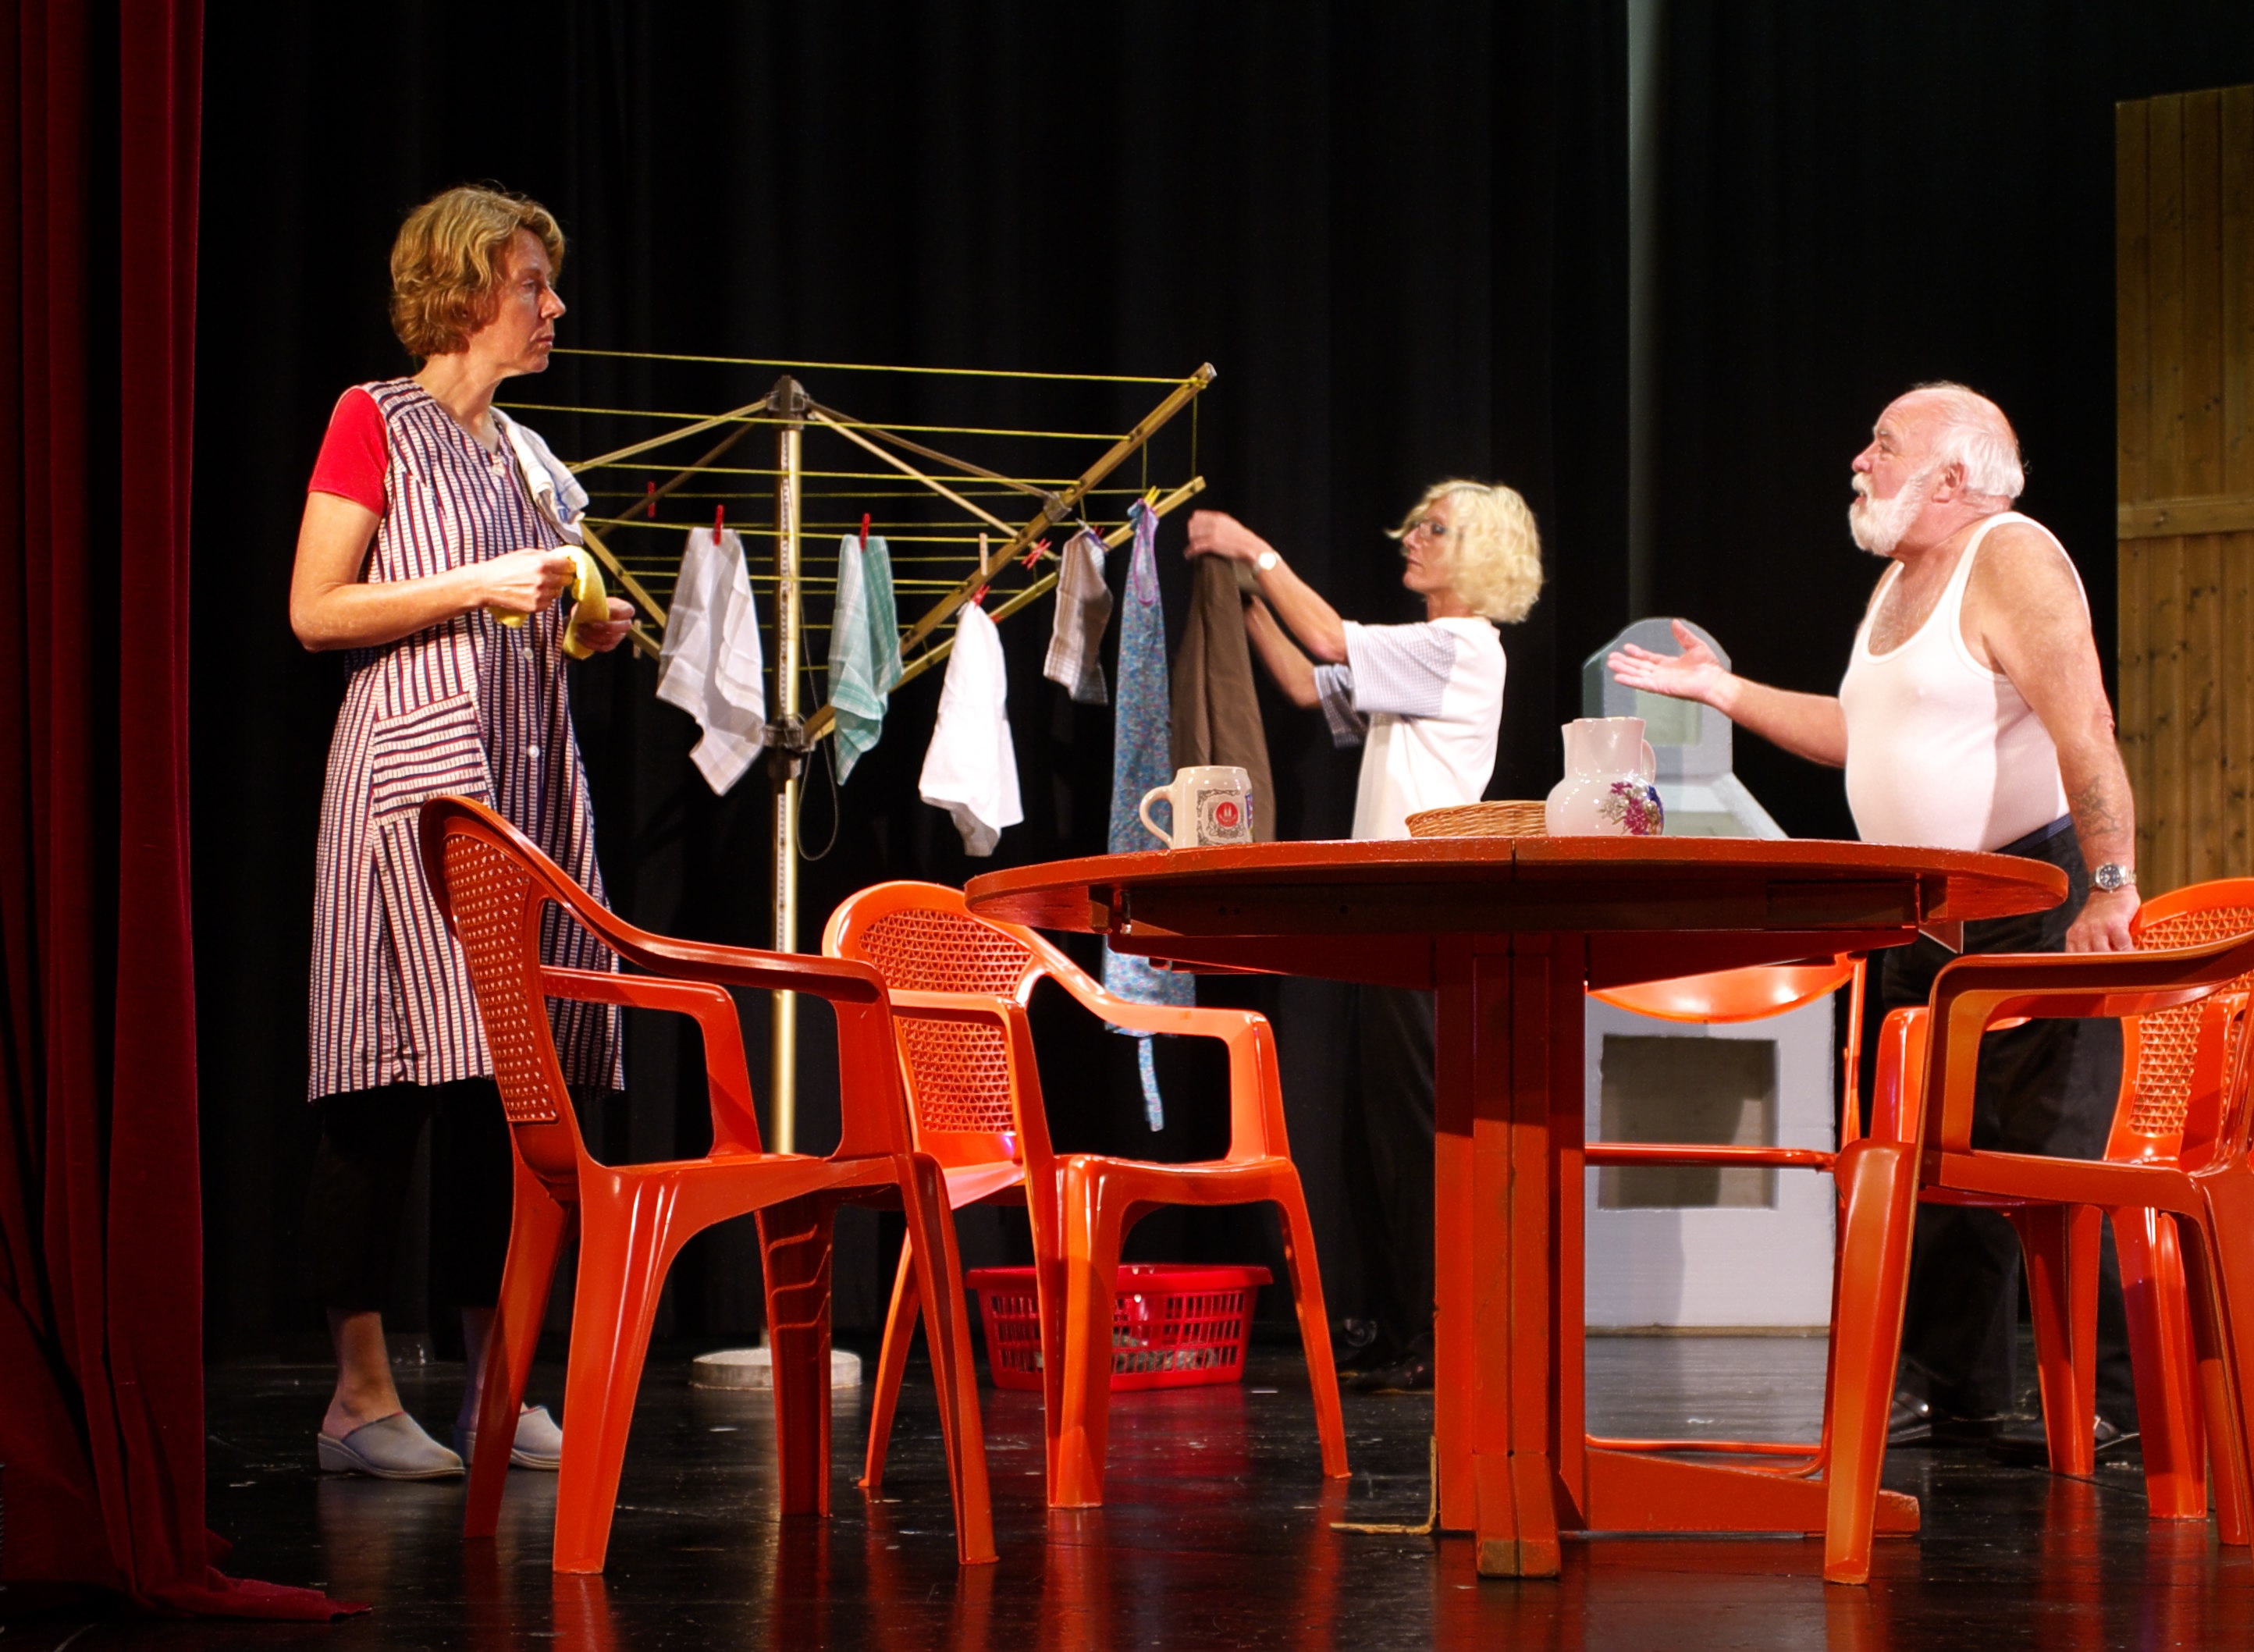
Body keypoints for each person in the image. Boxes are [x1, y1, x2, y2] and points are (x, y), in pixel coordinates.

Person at [1609, 382, 2139, 1460]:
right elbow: (1860, 731)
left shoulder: (2010, 556)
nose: (1859, 459)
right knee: (1936, 1158)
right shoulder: (1902, 577)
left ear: (1951, 476)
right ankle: (1961, 1395)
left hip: (2030, 900)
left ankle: (2110, 1401)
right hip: (1929, 916)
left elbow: (2085, 720)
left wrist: (2110, 882)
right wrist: (1721, 690)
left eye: (1883, 445)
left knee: (2051, 1155)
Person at [289, 186, 634, 1478]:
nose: (554, 306)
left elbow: (558, 605)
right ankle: (359, 1395)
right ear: (465, 284)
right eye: (533, 282)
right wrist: (476, 585)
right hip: (412, 789)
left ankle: (501, 1379)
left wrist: (585, 623)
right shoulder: (372, 419)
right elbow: (316, 610)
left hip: (520, 789)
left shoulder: (533, 459)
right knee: (386, 1081)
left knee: (513, 1090)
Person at [1186, 482, 1543, 1392]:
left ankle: (1429, 1328)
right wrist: (1240, 593)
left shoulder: (1461, 647)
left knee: (1413, 1131)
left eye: (1435, 529)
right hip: (1390, 915)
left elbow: (1326, 640)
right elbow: (1304, 683)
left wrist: (1251, 547)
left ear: (1480, 552)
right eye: (1416, 524)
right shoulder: (1420, 657)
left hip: (1425, 912)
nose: (1412, 539)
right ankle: (1393, 1325)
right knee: (1376, 1133)